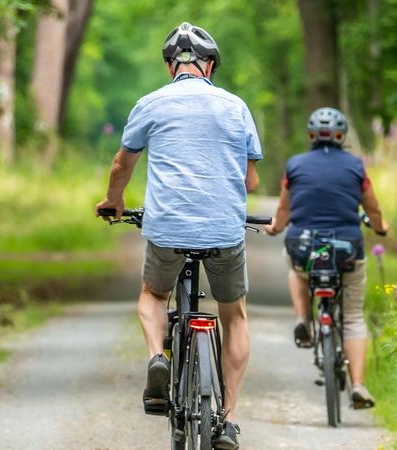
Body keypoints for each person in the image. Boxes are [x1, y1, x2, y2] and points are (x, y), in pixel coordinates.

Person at [94, 22, 262, 450]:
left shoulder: (151, 103)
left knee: (153, 295)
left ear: (171, 66)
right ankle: (227, 422)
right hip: (225, 229)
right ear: (210, 65)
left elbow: (121, 165)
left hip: (167, 228)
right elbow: (252, 180)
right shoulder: (236, 106)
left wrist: (114, 202)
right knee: (235, 315)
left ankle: (157, 357)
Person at [265, 107, 388, 409]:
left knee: (295, 268)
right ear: (341, 135)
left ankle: (303, 318)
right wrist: (382, 228)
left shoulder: (294, 165)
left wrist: (276, 227)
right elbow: (372, 209)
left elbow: (284, 210)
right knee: (355, 317)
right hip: (346, 249)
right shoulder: (356, 166)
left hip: (304, 247)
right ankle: (358, 385)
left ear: (310, 135)